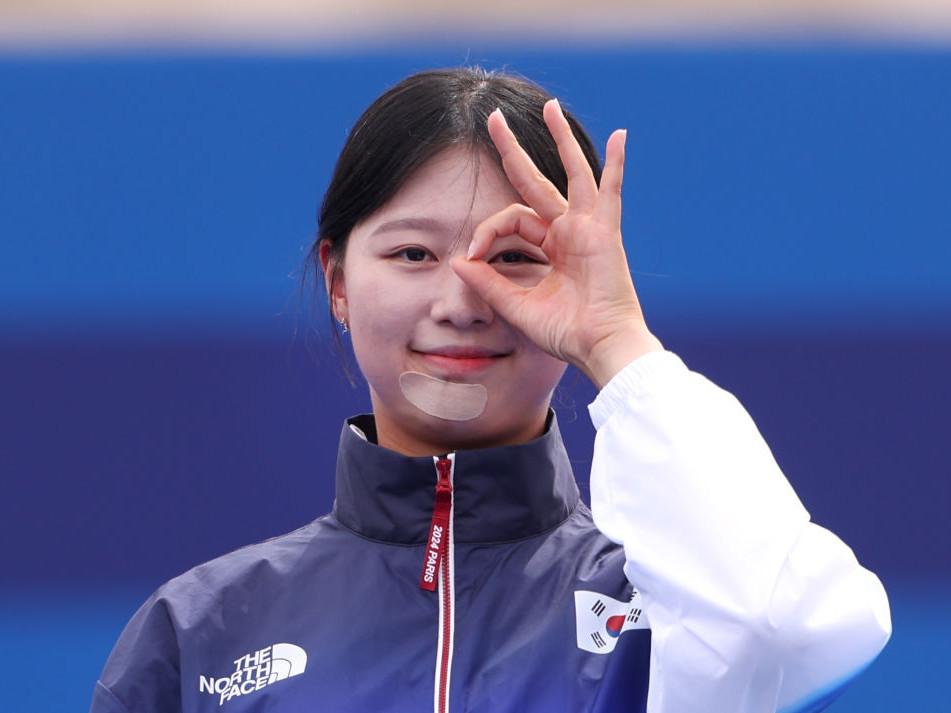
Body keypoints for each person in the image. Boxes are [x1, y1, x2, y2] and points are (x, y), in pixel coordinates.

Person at [89, 67, 891, 713]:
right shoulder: (201, 630)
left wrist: (617, 344)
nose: (460, 301)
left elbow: (788, 628)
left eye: (512, 258)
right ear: (337, 280)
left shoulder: (665, 606)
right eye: (411, 254)